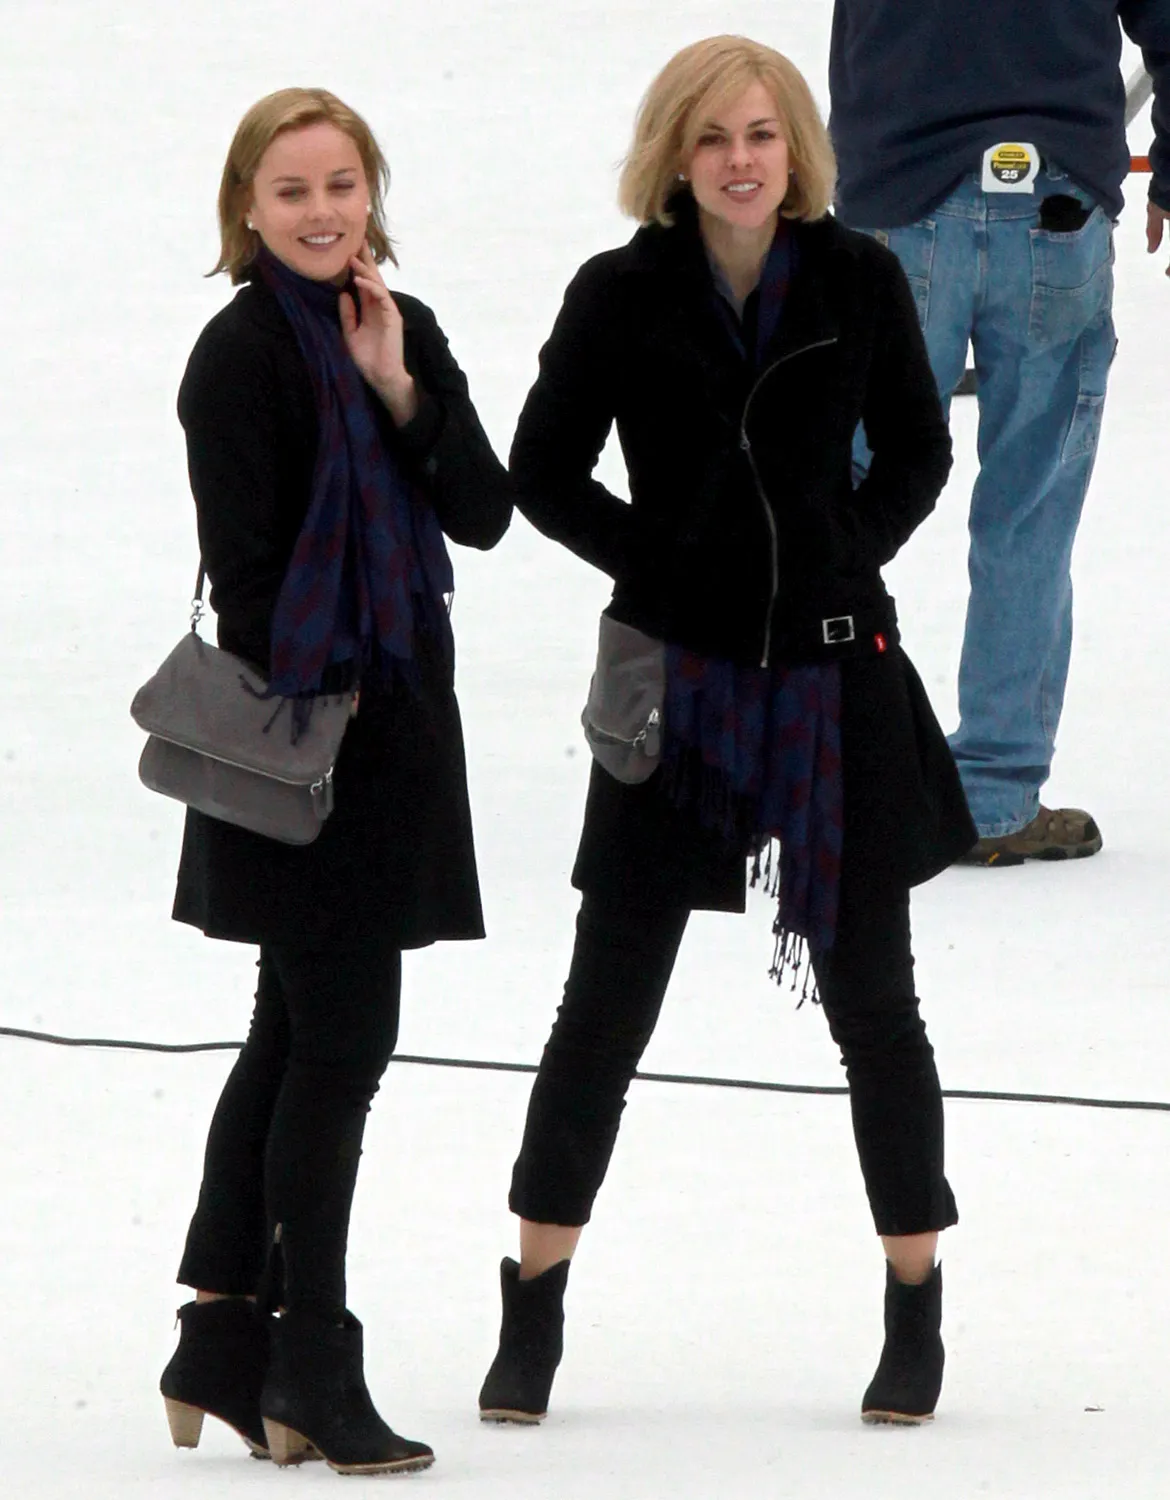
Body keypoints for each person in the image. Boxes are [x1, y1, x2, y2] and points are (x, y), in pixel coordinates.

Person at [477, 36, 976, 1430]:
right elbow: (541, 471)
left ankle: (914, 1310)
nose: (739, 160)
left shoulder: (858, 277)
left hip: (834, 680)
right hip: (674, 688)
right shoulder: (619, 290)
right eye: (711, 138)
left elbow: (920, 451)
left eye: (760, 134)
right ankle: (531, 1309)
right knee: (602, 1009)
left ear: (795, 147)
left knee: (877, 1012)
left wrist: (836, 557)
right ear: (674, 155)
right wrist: (664, 567)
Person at [157, 87, 512, 1475]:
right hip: (303, 757)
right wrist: (341, 670)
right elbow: (249, 587)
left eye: (342, 186)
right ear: (247, 207)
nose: (321, 213)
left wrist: (398, 388)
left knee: (291, 1036)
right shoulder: (234, 358)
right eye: (292, 190)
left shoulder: (398, 326)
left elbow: (481, 511)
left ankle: (218, 1333)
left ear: (372, 194)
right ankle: (308, 1356)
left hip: (396, 738)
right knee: (337, 1052)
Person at [829, 0, 1170, 865]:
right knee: (1032, 512)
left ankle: (805, 757)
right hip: (1057, 200)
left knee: (834, 499)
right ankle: (994, 793)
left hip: (899, 196)